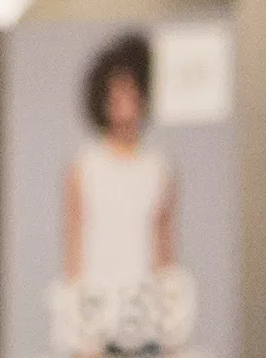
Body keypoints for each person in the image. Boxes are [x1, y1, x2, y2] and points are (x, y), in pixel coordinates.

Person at [57, 30, 188, 358]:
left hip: (143, 315)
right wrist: (82, 332)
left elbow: (164, 248)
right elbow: (74, 246)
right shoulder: (84, 167)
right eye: (115, 94)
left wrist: (173, 326)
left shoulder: (158, 169)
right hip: (99, 315)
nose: (124, 104)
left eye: (131, 92)